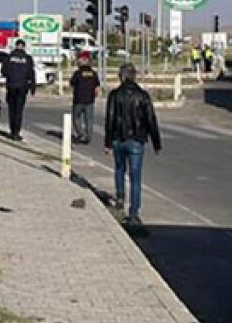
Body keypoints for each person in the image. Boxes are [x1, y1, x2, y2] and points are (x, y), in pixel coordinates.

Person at [103, 63, 163, 226]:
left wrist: (107, 142)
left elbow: (110, 119)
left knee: (119, 169)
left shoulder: (114, 95)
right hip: (137, 140)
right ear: (134, 76)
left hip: (118, 139)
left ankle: (120, 198)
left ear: (121, 76)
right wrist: (156, 143)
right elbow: (151, 119)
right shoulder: (142, 96)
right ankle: (134, 211)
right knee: (135, 177)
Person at [1, 39, 37, 141]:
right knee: (19, 111)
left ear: (16, 46)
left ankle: (12, 131)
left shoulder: (9, 57)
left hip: (11, 86)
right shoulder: (28, 58)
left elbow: (3, 71)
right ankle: (16, 132)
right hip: (22, 87)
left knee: (11, 110)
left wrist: (11, 76)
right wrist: (32, 87)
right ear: (23, 47)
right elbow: (31, 73)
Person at [69, 52, 101, 144]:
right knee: (89, 119)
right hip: (90, 100)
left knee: (76, 118)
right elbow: (97, 87)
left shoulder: (77, 73)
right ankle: (88, 136)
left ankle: (81, 133)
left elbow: (72, 84)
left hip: (78, 100)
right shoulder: (94, 73)